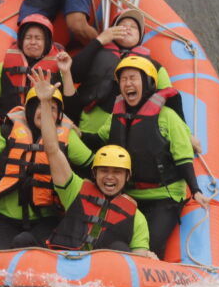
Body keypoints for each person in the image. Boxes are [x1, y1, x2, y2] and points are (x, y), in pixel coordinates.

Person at [0, 86, 94, 252]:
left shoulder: (67, 137)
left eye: (52, 108)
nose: (45, 112)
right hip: (1, 216)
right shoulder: (7, 131)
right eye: (40, 106)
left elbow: (91, 166)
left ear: (59, 114)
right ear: (30, 109)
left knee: (30, 246)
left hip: (45, 218)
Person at [95, 55, 209, 259]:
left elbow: (183, 158)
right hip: (129, 194)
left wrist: (196, 190)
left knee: (152, 244)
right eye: (123, 79)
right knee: (113, 242)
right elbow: (98, 139)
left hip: (164, 196)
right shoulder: (116, 116)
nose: (127, 84)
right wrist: (71, 132)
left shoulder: (168, 117)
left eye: (133, 78)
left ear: (147, 83)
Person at [31, 67, 153, 257]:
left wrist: (147, 256)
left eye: (117, 172)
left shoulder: (137, 219)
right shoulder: (74, 190)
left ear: (127, 176)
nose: (109, 177)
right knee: (23, 240)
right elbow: (52, 149)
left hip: (103, 273)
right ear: (94, 174)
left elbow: (138, 257)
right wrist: (46, 103)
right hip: (64, 264)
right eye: (104, 171)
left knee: (121, 248)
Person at [62, 8, 184, 135]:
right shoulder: (96, 51)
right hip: (84, 124)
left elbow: (170, 98)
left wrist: (185, 133)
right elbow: (73, 73)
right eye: (123, 25)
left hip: (128, 131)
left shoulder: (154, 66)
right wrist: (100, 40)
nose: (128, 28)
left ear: (140, 37)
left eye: (134, 27)